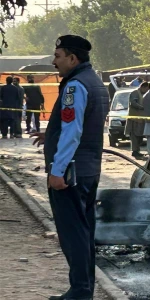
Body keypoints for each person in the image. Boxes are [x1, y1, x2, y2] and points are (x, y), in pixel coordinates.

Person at [31, 35, 109, 300]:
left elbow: (73, 131)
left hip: (71, 173)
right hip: (88, 169)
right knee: (84, 232)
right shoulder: (94, 82)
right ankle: (83, 288)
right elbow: (80, 124)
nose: (54, 62)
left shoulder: (75, 86)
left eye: (57, 56)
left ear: (72, 58)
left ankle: (80, 291)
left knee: (72, 234)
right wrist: (50, 134)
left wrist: (56, 170)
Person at [124, 81, 148, 158]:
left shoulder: (142, 94)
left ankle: (137, 150)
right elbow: (133, 103)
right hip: (134, 118)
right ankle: (135, 151)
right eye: (146, 89)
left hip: (140, 119)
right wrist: (142, 107)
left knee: (139, 136)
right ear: (142, 87)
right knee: (134, 135)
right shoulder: (135, 93)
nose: (146, 91)